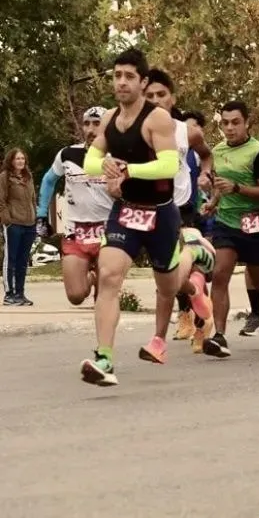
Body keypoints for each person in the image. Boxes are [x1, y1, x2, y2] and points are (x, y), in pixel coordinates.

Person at [78, 47, 183, 386]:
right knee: (108, 275)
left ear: (143, 81)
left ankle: (195, 256)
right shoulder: (109, 118)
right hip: (125, 212)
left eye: (129, 77)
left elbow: (169, 164)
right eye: (116, 76)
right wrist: (107, 165)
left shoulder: (157, 119)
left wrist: (127, 170)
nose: (121, 82)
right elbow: (90, 163)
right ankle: (104, 358)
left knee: (168, 285)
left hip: (161, 215)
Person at [201, 101, 259, 358]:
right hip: (226, 223)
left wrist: (237, 188)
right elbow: (221, 186)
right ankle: (219, 336)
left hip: (255, 223)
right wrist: (212, 203)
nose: (230, 128)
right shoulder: (218, 150)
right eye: (225, 123)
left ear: (246, 123)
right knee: (220, 273)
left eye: (235, 122)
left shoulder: (258, 152)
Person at [143, 69, 214, 340]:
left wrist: (206, 173)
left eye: (161, 94)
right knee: (165, 271)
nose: (156, 99)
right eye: (150, 95)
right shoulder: (137, 132)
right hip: (150, 207)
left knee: (183, 266)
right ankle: (188, 309)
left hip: (181, 207)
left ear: (172, 98)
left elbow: (206, 156)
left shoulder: (188, 132)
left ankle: (198, 322)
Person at [35, 107, 114, 306]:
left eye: (97, 123)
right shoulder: (68, 154)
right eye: (87, 123)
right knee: (76, 296)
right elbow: (48, 180)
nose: (90, 129)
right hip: (75, 231)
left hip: (109, 231)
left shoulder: (118, 155)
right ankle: (92, 278)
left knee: (105, 298)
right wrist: (42, 214)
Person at [1, 148, 37, 306]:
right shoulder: (4, 177)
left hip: (29, 224)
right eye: (17, 159)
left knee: (23, 261)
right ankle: (9, 294)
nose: (20, 161)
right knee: (11, 259)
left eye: (22, 158)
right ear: (11, 161)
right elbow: (1, 201)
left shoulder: (28, 177)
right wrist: (7, 219)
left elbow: (33, 199)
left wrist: (35, 217)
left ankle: (20, 293)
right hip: (13, 224)